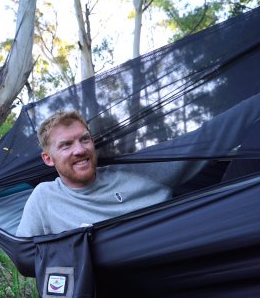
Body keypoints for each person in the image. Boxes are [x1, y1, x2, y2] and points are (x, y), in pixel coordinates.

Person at [16, 95, 260, 237]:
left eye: (84, 139)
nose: (80, 149)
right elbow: (23, 255)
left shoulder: (132, 172)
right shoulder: (45, 199)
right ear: (48, 158)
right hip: (137, 281)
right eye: (66, 145)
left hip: (207, 235)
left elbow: (205, 140)